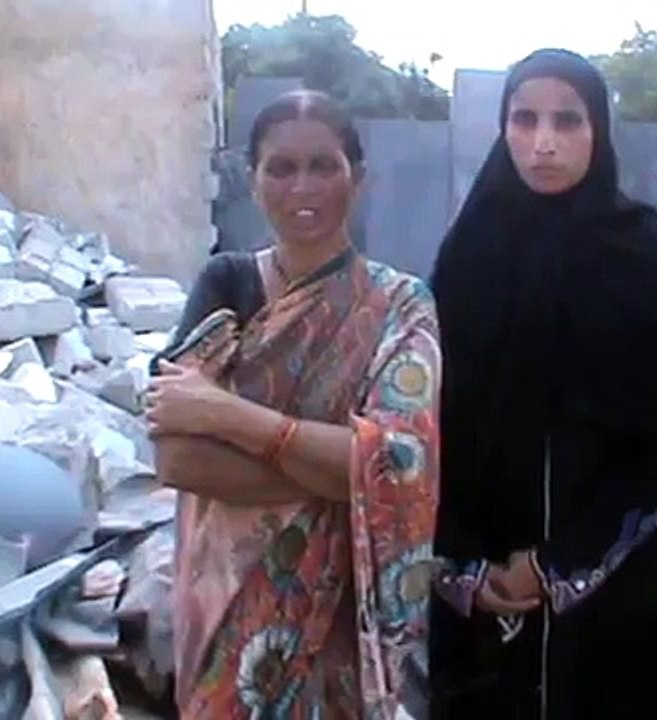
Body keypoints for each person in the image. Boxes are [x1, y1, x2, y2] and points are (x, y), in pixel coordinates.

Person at [145, 89, 440, 720]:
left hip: (339, 613)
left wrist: (226, 416)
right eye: (280, 168)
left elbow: (401, 463)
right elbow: (178, 460)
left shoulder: (400, 306)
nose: (302, 187)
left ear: (358, 178)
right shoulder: (227, 285)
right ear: (252, 181)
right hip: (225, 600)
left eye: (323, 166)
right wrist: (338, 471)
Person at [428, 48, 657, 718]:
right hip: (477, 585)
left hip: (601, 589)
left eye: (567, 121)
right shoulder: (468, 251)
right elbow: (429, 419)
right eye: (524, 119)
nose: (543, 142)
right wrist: (465, 564)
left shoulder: (641, 254)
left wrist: (558, 564)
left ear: (598, 129)